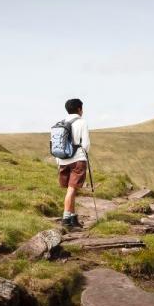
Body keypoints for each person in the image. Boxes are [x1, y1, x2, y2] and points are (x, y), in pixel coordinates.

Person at [58, 98, 90, 229]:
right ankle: (66, 218)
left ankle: (72, 217)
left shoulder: (61, 123)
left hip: (62, 159)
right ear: (79, 109)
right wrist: (84, 155)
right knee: (72, 188)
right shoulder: (82, 122)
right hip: (77, 159)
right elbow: (86, 144)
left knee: (71, 189)